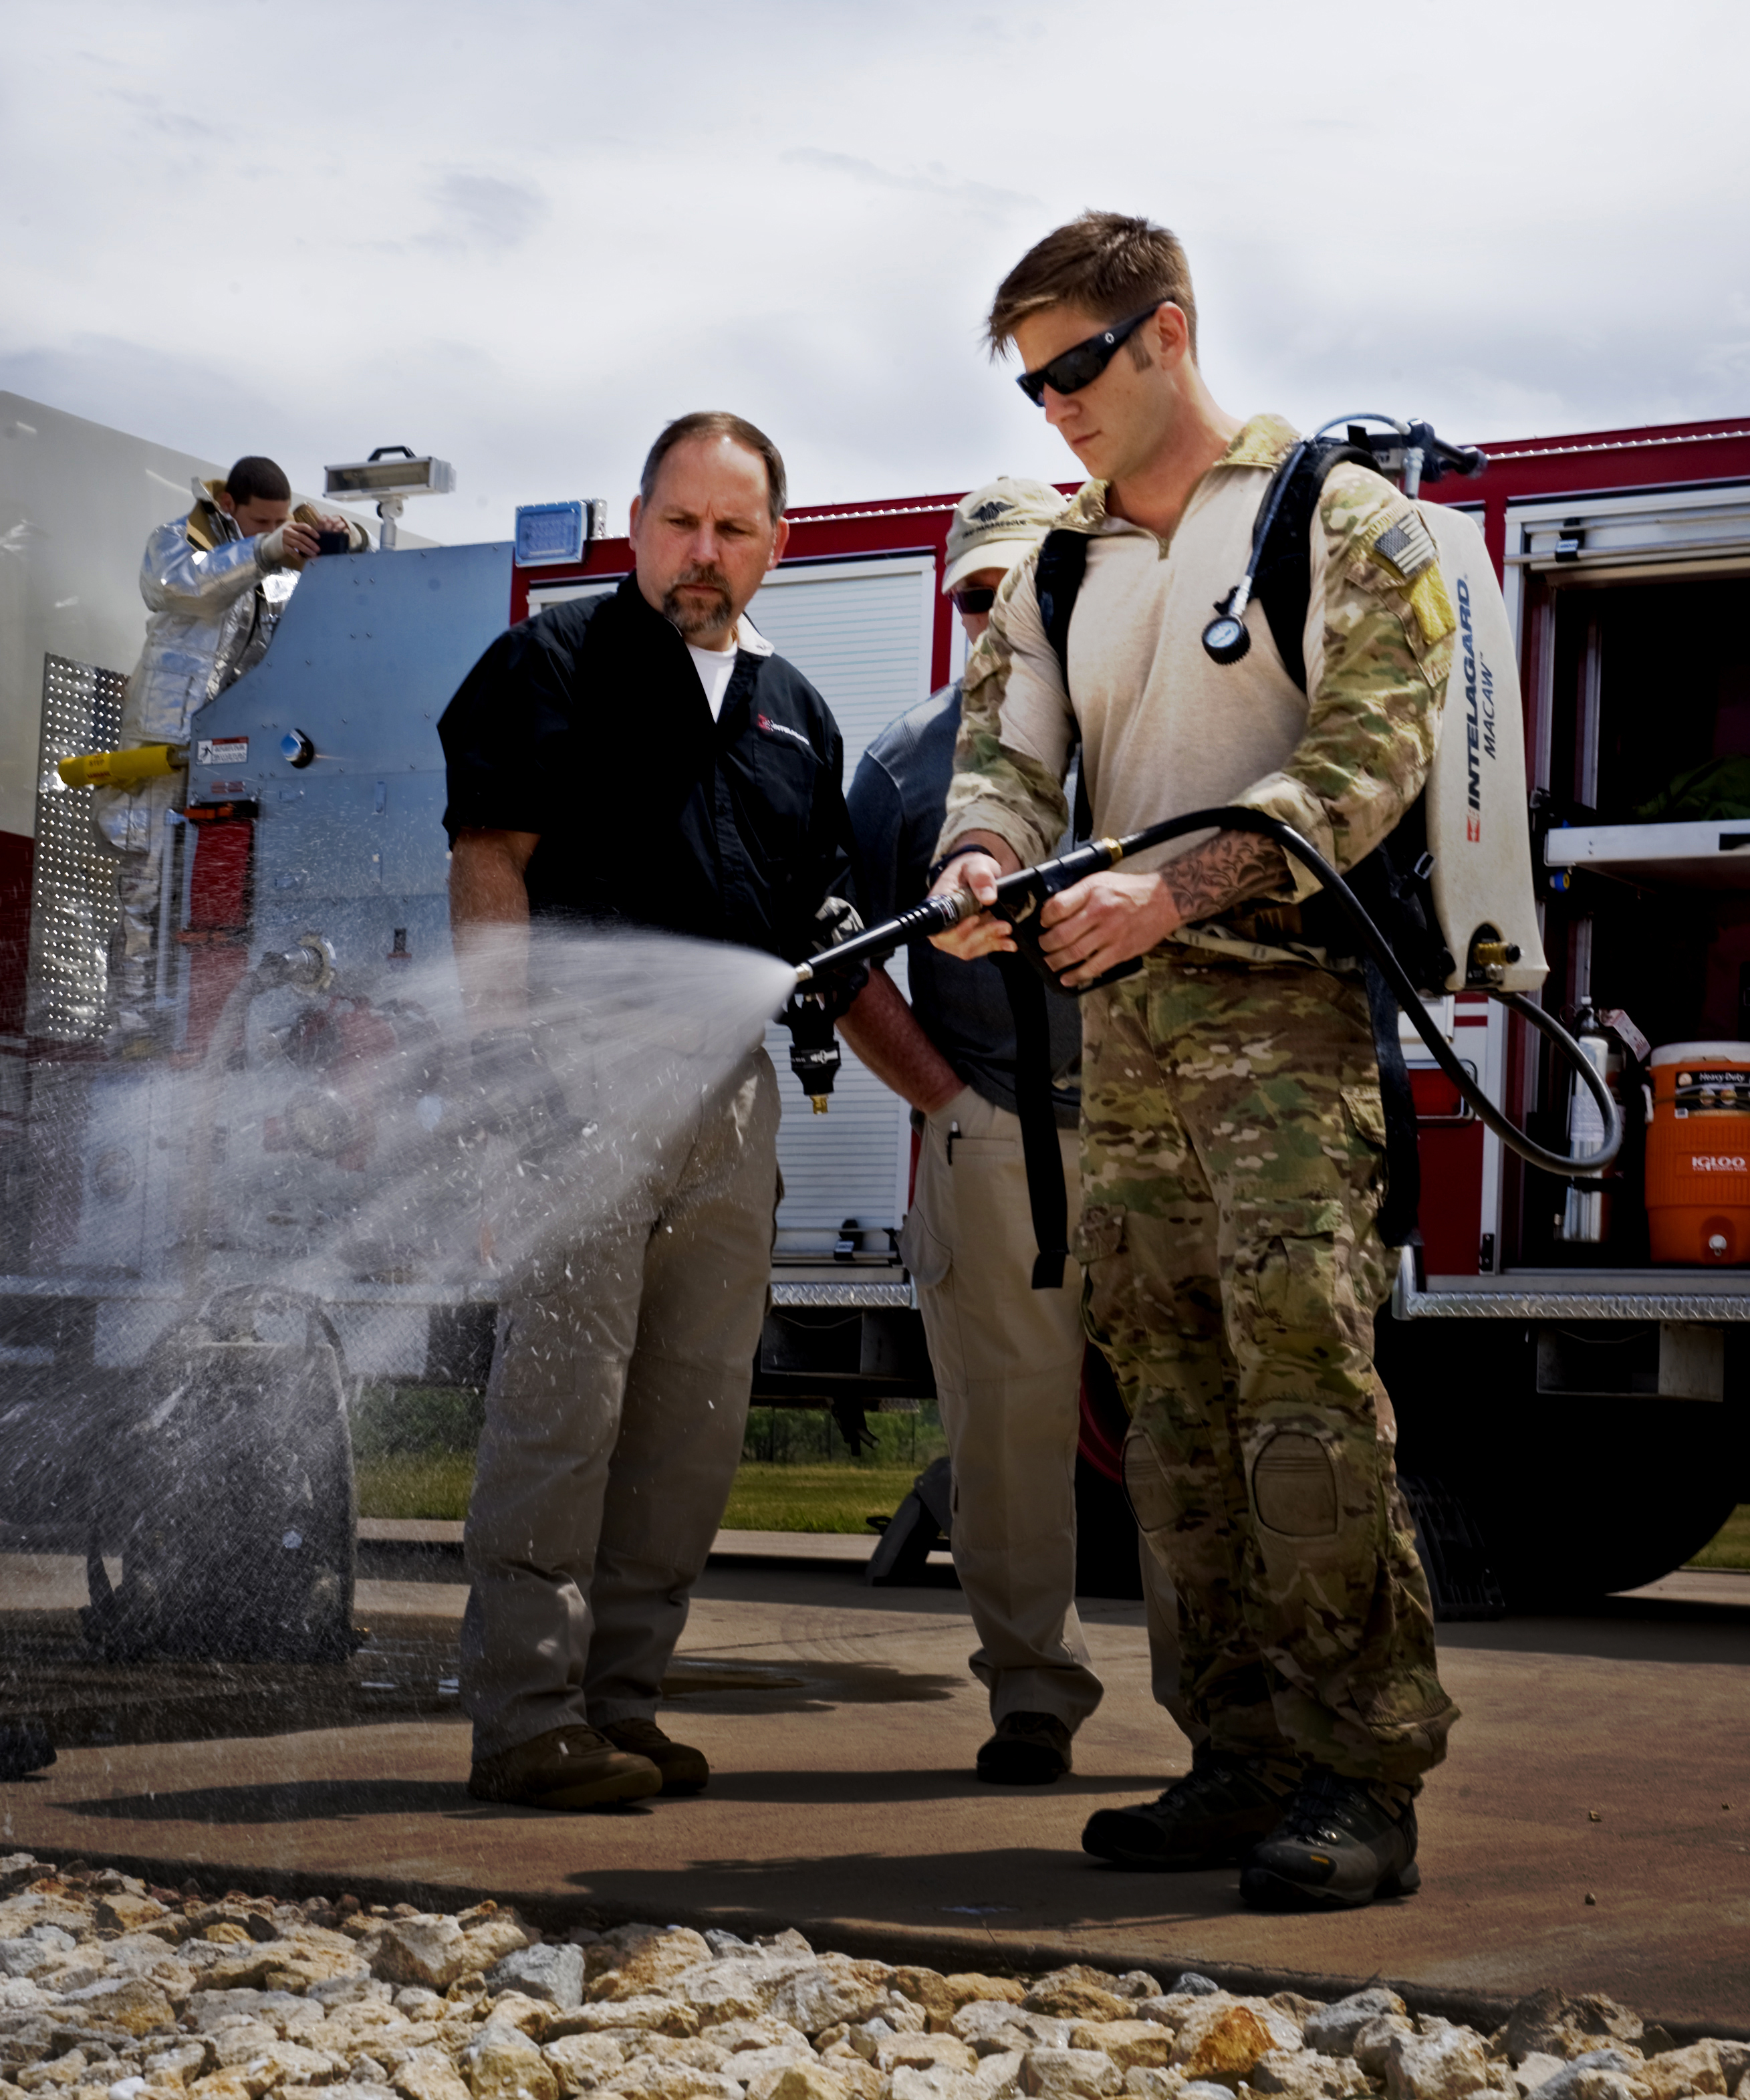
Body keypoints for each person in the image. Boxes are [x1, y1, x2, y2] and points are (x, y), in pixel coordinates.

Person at [928, 211, 1460, 1909]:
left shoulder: (1339, 520)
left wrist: (1173, 888)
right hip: (1126, 1044)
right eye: (1029, 383)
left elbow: (1367, 759)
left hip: (1285, 1029)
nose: (1054, 408)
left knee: (1304, 1402)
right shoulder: (1061, 566)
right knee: (1165, 1408)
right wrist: (975, 871)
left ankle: (1361, 1776)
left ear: (1168, 333)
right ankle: (1233, 1756)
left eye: (1075, 367)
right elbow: (1001, 762)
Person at [439, 411, 860, 1813]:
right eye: (681, 522)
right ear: (637, 524)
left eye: (735, 528)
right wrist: (504, 1077)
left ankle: (621, 1703)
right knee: (563, 1408)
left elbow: (812, 899)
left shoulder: (796, 709)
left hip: (731, 1103)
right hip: (575, 1084)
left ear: (776, 545)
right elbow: (492, 865)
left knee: (691, 1420)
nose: (704, 552)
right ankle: (525, 1713)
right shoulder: (549, 663)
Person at [839, 476, 1114, 1786]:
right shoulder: (899, 771)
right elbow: (840, 965)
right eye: (978, 594)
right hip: (996, 1138)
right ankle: (1033, 1698)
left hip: (1158, 1134)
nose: (1003, 615)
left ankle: (1231, 1714)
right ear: (951, 602)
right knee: (1008, 1443)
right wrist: (951, 1106)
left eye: (1031, 588)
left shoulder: (1146, 738)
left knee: (1193, 1434)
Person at [99, 457, 355, 1051]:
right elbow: (175, 588)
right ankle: (133, 1026)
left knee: (216, 895)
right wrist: (266, 550)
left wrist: (344, 538)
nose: (270, 529)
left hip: (229, 753)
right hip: (160, 745)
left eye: (280, 521)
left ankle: (203, 1028)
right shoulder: (179, 541)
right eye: (260, 520)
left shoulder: (271, 561)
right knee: (146, 885)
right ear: (230, 506)